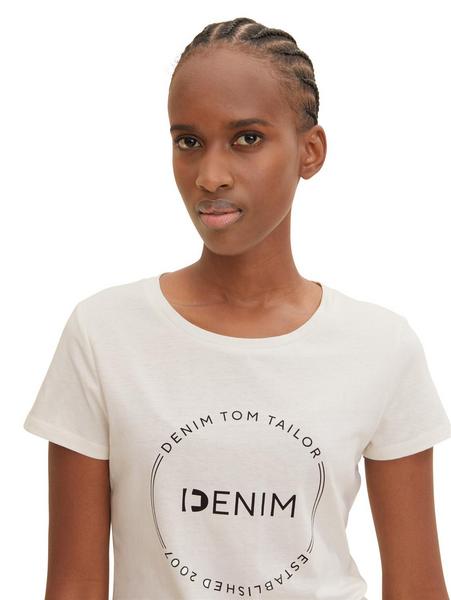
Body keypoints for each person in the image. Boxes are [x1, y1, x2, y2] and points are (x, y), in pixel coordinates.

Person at [23, 16, 451, 600]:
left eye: (247, 138)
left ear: (310, 151)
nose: (211, 176)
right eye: (188, 141)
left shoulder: (381, 346)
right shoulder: (104, 334)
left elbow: (418, 586)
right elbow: (74, 584)